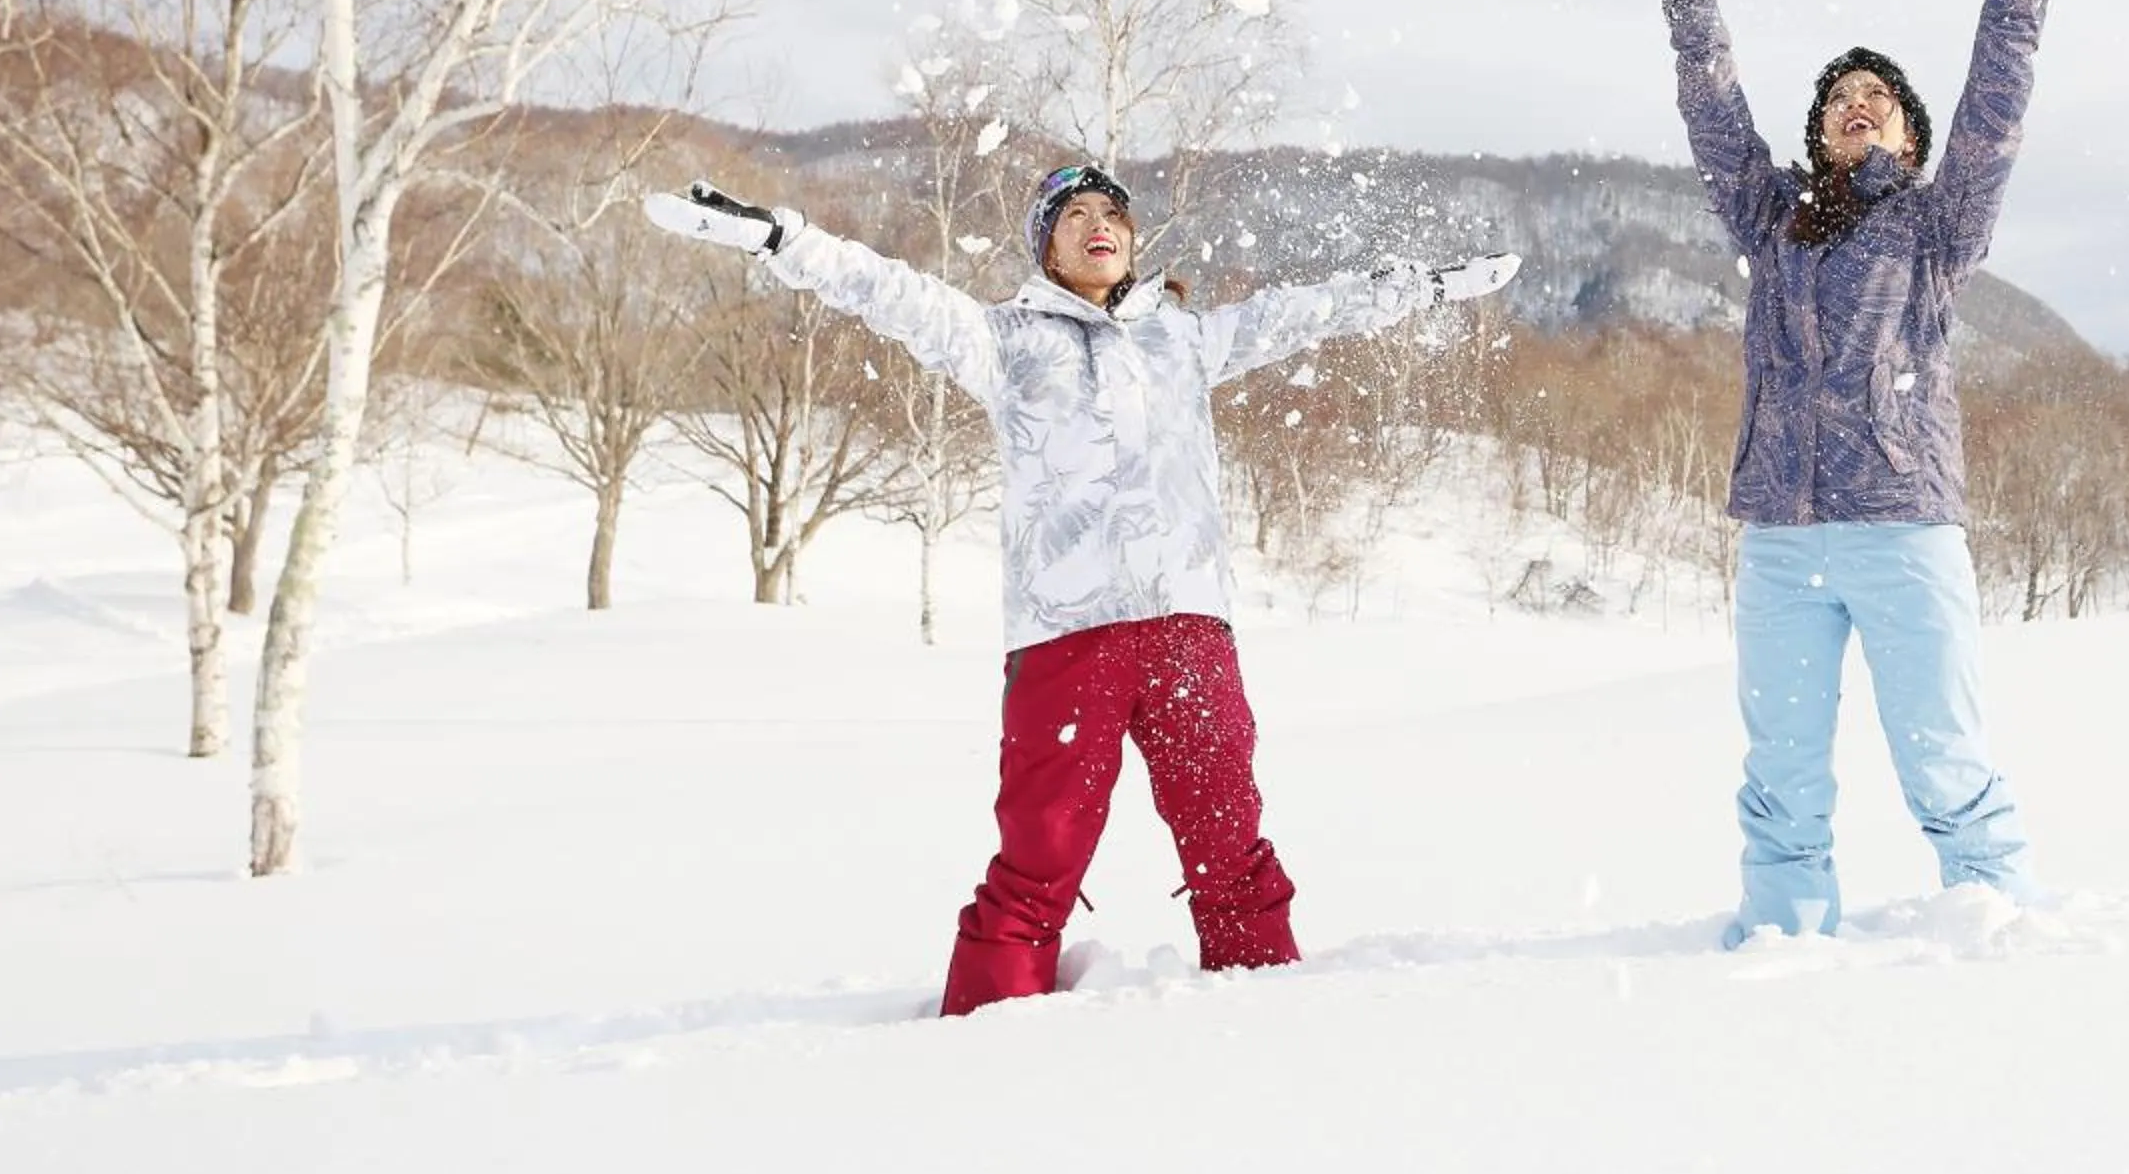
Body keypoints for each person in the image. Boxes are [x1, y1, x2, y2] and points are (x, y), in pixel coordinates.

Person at [646, 160, 1520, 1012]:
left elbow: (1309, 313)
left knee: (1230, 842)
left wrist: (1423, 287)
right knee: (1039, 859)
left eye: (1112, 212)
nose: (1098, 224)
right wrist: (779, 239)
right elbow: (888, 290)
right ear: (1046, 249)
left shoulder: (1184, 338)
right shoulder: (1003, 341)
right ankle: (986, 1041)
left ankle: (1267, 1019)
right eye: (1073, 216)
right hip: (1067, 638)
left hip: (1186, 626)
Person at [1637, 0, 2124, 942]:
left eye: (1879, 96)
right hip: (1780, 533)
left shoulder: (1938, 224)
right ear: (1820, 132)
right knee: (1782, 779)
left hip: (1903, 524)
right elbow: (1714, 117)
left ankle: (2000, 928)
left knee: (1946, 762)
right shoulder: (1771, 220)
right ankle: (1780, 938)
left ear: (1909, 130)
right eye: (1841, 98)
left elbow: (1996, 105)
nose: (1858, 104)